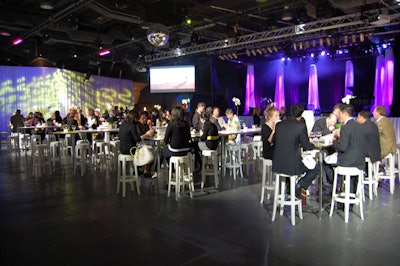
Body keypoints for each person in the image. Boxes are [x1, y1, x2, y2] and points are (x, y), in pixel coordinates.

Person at [272, 104, 319, 199]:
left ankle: (291, 189)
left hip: (277, 163)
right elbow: (306, 146)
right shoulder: (300, 126)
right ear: (300, 115)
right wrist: (315, 145)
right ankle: (299, 187)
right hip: (291, 165)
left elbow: (274, 141)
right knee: (315, 168)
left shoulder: (279, 125)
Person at [324, 104, 365, 196]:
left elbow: (342, 147)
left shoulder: (345, 128)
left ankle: (337, 186)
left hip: (348, 161)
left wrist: (334, 141)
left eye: (340, 114)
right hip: (359, 160)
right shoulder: (359, 126)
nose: (338, 117)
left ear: (344, 114)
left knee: (326, 162)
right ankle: (350, 199)